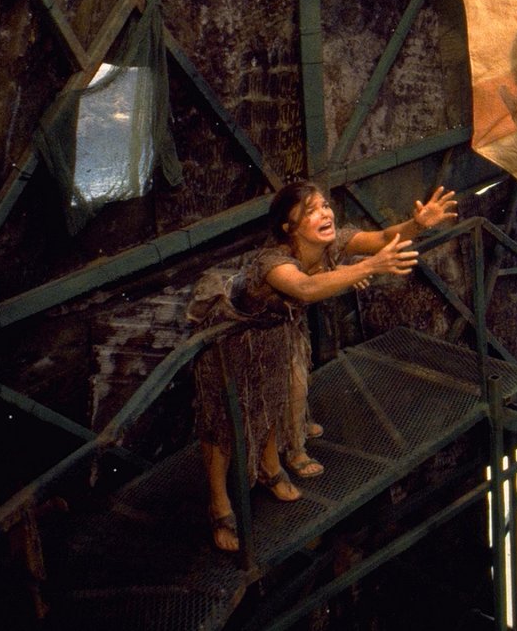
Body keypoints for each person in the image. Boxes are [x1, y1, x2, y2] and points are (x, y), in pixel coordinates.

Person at [190, 180, 458, 551]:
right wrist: (369, 267)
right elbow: (306, 288)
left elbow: (382, 238)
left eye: (325, 206)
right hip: (232, 343)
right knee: (222, 425)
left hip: (276, 334)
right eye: (311, 210)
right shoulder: (272, 262)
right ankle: (219, 505)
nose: (325, 213)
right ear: (289, 226)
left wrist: (418, 224)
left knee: (274, 401)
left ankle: (270, 469)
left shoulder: (332, 243)